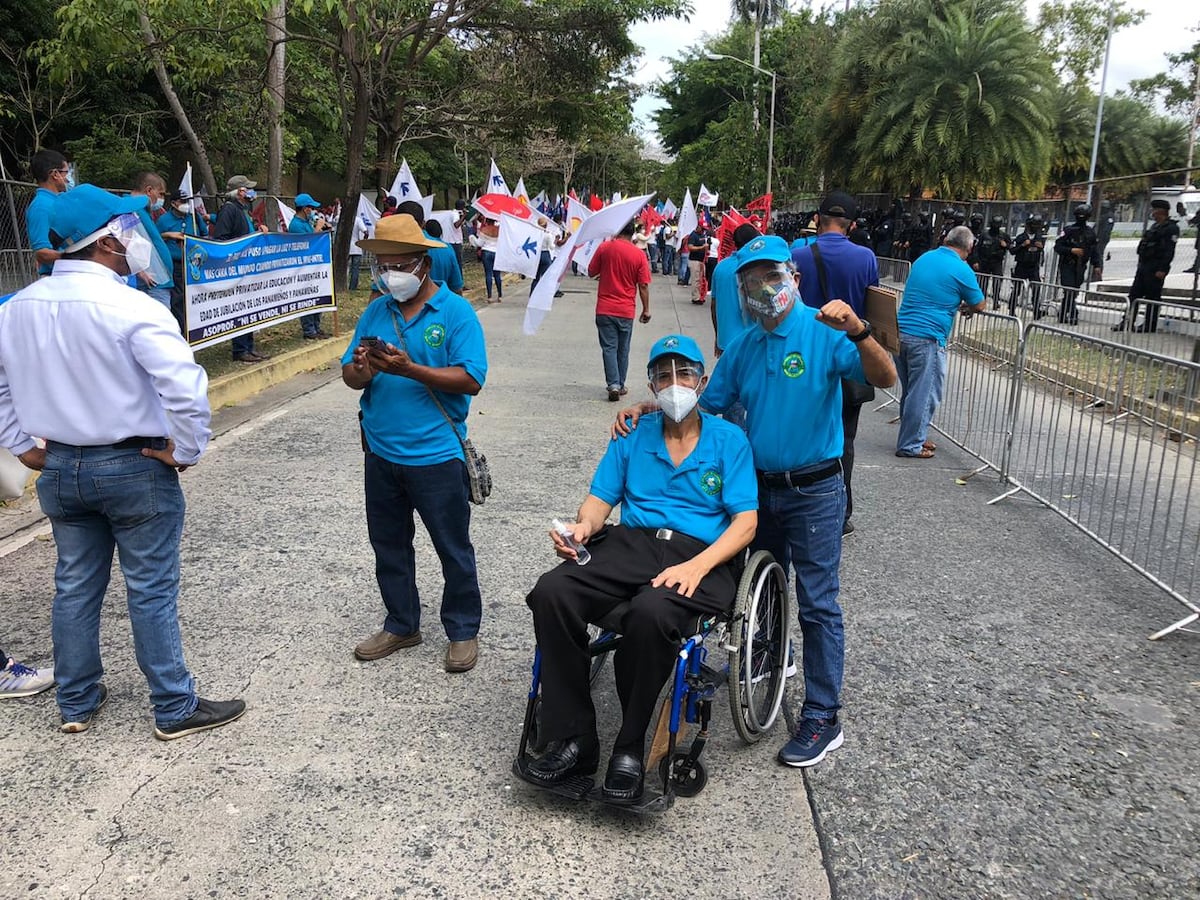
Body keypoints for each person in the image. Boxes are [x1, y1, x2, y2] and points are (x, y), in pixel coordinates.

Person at [618, 236, 895, 768]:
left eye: (772, 276)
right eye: (751, 280)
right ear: (740, 290)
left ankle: (823, 715)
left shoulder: (824, 329)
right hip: (760, 489)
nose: (764, 288)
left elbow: (884, 378)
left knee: (817, 601)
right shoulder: (744, 347)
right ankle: (768, 657)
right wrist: (650, 408)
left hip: (815, 489)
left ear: (793, 277)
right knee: (761, 589)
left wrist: (859, 331)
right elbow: (704, 406)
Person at [0, 184, 245, 739]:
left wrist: (23, 447)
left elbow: (0, 387)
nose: (137, 240)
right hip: (133, 463)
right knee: (151, 588)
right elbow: (184, 390)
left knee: (74, 586)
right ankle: (174, 706)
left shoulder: (15, 308)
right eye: (127, 230)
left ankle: (76, 701)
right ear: (106, 241)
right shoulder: (132, 307)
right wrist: (186, 449)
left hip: (60, 466)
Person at [522, 335, 758, 801]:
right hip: (631, 545)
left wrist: (697, 567)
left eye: (684, 373)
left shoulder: (729, 440)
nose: (674, 384)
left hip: (700, 554)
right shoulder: (633, 434)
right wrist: (583, 528)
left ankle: (629, 745)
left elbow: (746, 523)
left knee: (650, 613)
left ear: (701, 382)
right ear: (652, 385)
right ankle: (574, 737)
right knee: (553, 591)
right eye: (663, 376)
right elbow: (599, 500)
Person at [342, 214, 487, 673]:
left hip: (436, 455)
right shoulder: (376, 311)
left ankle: (462, 630)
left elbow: (471, 379)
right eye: (382, 266)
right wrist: (362, 368)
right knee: (389, 545)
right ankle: (402, 623)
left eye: (399, 265)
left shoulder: (456, 313)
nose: (390, 275)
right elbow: (349, 375)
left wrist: (412, 370)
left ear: (423, 264)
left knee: (452, 547)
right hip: (380, 451)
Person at [792, 191, 881, 537]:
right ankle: (840, 514)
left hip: (805, 358)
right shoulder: (866, 258)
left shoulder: (798, 254)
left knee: (802, 430)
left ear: (817, 218)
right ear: (851, 225)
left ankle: (799, 504)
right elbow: (871, 306)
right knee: (844, 439)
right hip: (848, 358)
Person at [894, 226, 986, 459]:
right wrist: (966, 306)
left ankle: (916, 434)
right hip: (927, 337)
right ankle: (911, 444)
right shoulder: (962, 269)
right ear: (969, 247)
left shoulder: (924, 258)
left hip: (901, 332)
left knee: (912, 391)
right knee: (925, 394)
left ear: (946, 240)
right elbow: (979, 303)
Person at [588, 219, 651, 401]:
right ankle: (620, 385)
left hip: (604, 308)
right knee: (623, 349)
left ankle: (613, 384)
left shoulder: (604, 248)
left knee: (609, 348)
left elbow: (591, 272)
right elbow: (643, 285)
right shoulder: (639, 255)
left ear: (617, 230)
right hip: (626, 310)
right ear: (633, 233)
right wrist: (646, 309)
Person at [213, 175, 270, 363]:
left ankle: (249, 347)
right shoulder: (229, 210)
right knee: (239, 308)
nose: (252, 192)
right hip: (237, 269)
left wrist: (258, 231)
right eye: (248, 188)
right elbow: (221, 238)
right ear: (240, 192)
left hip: (248, 268)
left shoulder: (243, 210)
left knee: (249, 307)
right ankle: (240, 349)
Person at [1114, 200, 1181, 333]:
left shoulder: (1171, 228)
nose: (1152, 212)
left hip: (1156, 268)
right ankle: (1127, 321)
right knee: (1134, 295)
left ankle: (1149, 325)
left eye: (1154, 210)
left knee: (1152, 297)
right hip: (1145, 266)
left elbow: (1169, 251)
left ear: (1161, 211)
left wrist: (1162, 269)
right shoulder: (1155, 226)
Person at [155, 189, 209, 333]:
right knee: (178, 298)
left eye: (188, 201)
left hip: (195, 263)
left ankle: (196, 327)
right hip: (176, 264)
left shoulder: (193, 217)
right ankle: (182, 330)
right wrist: (168, 235)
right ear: (174, 203)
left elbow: (204, 234)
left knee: (195, 295)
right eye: (183, 201)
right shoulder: (164, 220)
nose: (186, 204)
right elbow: (156, 239)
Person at [287, 192, 332, 339]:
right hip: (303, 267)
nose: (313, 211)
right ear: (305, 209)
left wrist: (324, 229)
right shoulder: (296, 225)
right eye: (311, 208)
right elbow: (308, 243)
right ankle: (309, 330)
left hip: (314, 266)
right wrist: (318, 228)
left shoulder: (307, 222)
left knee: (317, 296)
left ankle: (316, 327)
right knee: (306, 298)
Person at [396, 201, 464, 295]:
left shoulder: (390, 251)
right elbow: (457, 290)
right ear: (423, 223)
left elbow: (379, 292)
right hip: (440, 302)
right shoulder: (446, 248)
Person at [1053, 204, 1102, 325]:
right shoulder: (1068, 230)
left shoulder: (1090, 233)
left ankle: (1062, 314)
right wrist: (1071, 250)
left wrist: (1097, 265)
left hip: (1080, 266)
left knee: (1073, 292)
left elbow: (1094, 251)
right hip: (1067, 265)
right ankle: (1074, 314)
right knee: (1069, 289)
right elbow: (1058, 247)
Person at [25, 149, 71, 277]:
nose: (69, 179)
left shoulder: (61, 200)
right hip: (57, 277)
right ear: (55, 174)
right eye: (67, 173)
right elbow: (42, 253)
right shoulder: (41, 207)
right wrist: (76, 257)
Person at [1008, 215, 1046, 317]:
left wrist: (1041, 247)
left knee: (1036, 289)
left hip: (1034, 267)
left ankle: (1036, 311)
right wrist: (1022, 245)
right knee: (1017, 289)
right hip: (1021, 267)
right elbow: (1012, 250)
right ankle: (1011, 310)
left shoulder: (1039, 238)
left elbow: (1041, 251)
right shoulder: (1021, 237)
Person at [975, 215, 1009, 310]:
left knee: (997, 283)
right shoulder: (984, 235)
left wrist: (1005, 245)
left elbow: (1011, 247)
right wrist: (976, 261)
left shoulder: (1003, 235)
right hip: (985, 262)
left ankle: (996, 302)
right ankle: (982, 301)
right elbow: (977, 248)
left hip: (997, 262)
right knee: (983, 283)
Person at [472, 217, 503, 301]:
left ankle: (489, 296)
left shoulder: (484, 230)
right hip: (496, 252)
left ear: (487, 221)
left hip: (486, 252)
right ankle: (500, 295)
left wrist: (472, 237)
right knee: (497, 275)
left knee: (488, 274)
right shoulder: (499, 230)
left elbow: (479, 243)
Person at [685, 223, 707, 301]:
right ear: (698, 227)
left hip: (701, 260)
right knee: (695, 279)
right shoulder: (693, 235)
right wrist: (701, 247)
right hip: (694, 260)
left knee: (700, 280)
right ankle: (695, 297)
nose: (703, 231)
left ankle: (700, 295)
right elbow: (690, 247)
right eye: (702, 229)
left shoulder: (703, 235)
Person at [348, 214, 370, 291]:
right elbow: (366, 232)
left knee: (344, 268)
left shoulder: (342, 220)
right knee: (355, 269)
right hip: (356, 247)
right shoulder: (357, 220)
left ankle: (342, 285)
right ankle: (353, 287)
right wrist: (364, 240)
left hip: (345, 248)